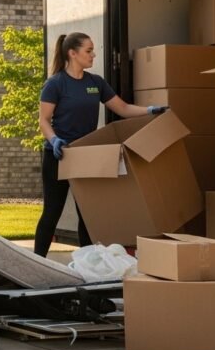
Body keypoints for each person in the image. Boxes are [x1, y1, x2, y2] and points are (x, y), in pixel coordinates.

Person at [35, 32, 166, 257]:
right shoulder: (55, 84)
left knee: (87, 215)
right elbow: (43, 120)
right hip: (59, 156)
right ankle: (36, 263)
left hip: (86, 156)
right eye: (88, 50)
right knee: (52, 213)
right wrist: (54, 140)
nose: (93, 54)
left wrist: (150, 110)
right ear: (72, 53)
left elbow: (123, 108)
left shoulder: (95, 83)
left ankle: (86, 266)